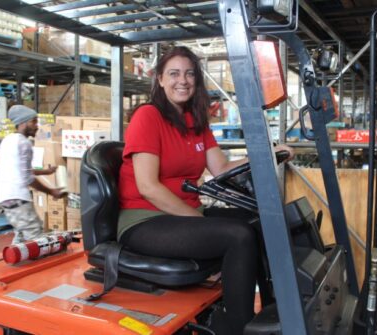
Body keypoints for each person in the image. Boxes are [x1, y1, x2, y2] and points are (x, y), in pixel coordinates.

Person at [117, 46, 294, 334]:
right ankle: (239, 327)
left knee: (260, 221)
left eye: (189, 74)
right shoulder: (147, 117)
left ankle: (277, 313)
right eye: (173, 74)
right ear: (160, 79)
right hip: (144, 219)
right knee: (237, 236)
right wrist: (198, 220)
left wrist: (267, 154)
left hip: (181, 213)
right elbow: (148, 188)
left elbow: (221, 167)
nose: (182, 80)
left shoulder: (196, 122)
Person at [0, 105, 66, 245]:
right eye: (33, 121)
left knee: (21, 236)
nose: (37, 126)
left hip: (6, 197)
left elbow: (18, 169)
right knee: (37, 239)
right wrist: (52, 191)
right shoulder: (24, 143)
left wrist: (46, 172)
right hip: (17, 198)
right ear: (22, 123)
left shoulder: (8, 140)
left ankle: (16, 260)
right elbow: (27, 177)